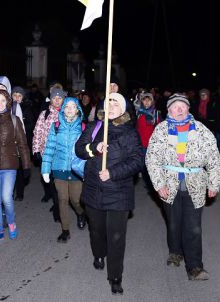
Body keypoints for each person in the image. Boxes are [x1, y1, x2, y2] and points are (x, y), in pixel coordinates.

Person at [145, 93, 220, 281]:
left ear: (188, 109)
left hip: (195, 185)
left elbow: (213, 158)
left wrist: (213, 183)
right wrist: (159, 184)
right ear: (169, 110)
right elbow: (152, 159)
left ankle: (195, 267)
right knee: (173, 222)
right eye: (175, 106)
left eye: (183, 106)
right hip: (169, 185)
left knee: (193, 227)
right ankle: (175, 252)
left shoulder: (202, 130)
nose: (179, 110)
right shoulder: (161, 130)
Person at [74, 92, 142, 295]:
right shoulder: (95, 127)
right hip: (94, 189)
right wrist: (95, 148)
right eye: (109, 102)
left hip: (118, 193)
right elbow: (79, 150)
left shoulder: (130, 132)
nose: (111, 106)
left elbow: (138, 161)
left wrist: (113, 173)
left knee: (116, 236)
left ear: (123, 109)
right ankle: (99, 254)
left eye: (116, 103)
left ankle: (115, 276)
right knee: (96, 230)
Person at [0, 89, 31, 242]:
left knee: (6, 198)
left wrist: (26, 165)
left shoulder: (14, 120)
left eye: (3, 100)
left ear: (8, 102)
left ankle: (11, 223)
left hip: (10, 165)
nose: (0, 103)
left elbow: (23, 144)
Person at [41, 96, 86, 243]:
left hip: (76, 170)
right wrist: (45, 169)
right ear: (63, 109)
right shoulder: (56, 126)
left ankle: (81, 213)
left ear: (78, 109)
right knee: (62, 199)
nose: (70, 109)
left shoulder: (84, 127)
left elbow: (87, 151)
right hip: (59, 168)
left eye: (73, 106)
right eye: (67, 106)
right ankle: (65, 230)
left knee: (75, 200)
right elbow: (49, 148)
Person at [32, 87, 67, 219]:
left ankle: (60, 204)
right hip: (47, 155)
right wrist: (35, 150)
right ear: (50, 100)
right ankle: (57, 205)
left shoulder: (67, 113)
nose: (57, 101)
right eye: (54, 98)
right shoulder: (44, 114)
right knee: (52, 182)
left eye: (59, 98)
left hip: (62, 155)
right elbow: (38, 132)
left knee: (61, 183)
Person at [135, 92, 162, 191]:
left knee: (150, 164)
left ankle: (151, 182)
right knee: (142, 164)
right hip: (141, 143)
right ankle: (146, 179)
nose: (146, 102)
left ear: (152, 101)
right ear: (142, 101)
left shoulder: (155, 113)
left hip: (151, 144)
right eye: (144, 100)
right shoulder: (139, 113)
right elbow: (136, 128)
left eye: (149, 100)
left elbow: (160, 128)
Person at [11, 86, 34, 201]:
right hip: (10, 144)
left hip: (22, 143)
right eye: (15, 95)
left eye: (19, 96)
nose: (17, 98)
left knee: (20, 169)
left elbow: (31, 125)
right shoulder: (8, 107)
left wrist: (22, 125)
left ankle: (20, 193)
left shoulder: (27, 108)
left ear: (23, 98)